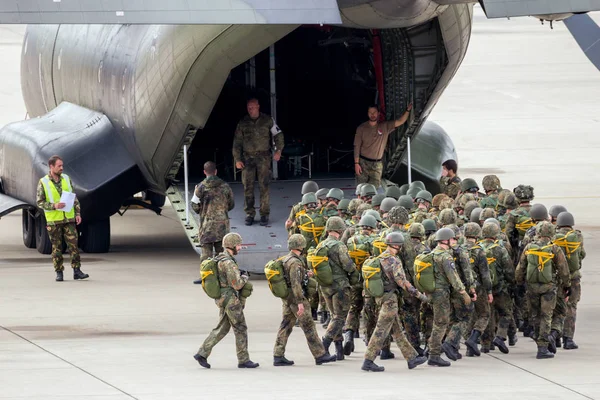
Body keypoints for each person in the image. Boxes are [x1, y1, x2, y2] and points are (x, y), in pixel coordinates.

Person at [361, 233, 428, 372]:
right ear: (398, 245)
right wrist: (418, 295)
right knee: (381, 330)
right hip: (390, 300)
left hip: (381, 298)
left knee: (397, 330)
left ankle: (411, 358)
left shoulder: (380, 258)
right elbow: (401, 281)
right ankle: (368, 360)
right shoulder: (394, 260)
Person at [194, 233, 259, 369]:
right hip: (230, 300)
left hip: (222, 298)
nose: (240, 247)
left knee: (222, 327)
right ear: (232, 245)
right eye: (239, 245)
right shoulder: (228, 262)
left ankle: (202, 353)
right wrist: (245, 277)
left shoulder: (220, 258)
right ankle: (243, 360)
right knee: (240, 328)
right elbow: (237, 284)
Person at [273, 234, 338, 366]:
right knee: (308, 326)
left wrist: (305, 274)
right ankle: (320, 354)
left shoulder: (286, 259)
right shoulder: (295, 262)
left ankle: (278, 355)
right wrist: (300, 303)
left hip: (288, 299)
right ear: (301, 246)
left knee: (285, 325)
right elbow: (296, 283)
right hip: (296, 299)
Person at [516, 222, 570, 359]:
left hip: (532, 287)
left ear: (538, 233)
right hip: (548, 287)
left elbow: (520, 267)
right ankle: (543, 347)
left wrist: (520, 283)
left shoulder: (529, 247)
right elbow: (564, 270)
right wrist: (566, 285)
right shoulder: (554, 248)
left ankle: (539, 339)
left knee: (535, 315)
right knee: (546, 316)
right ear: (551, 233)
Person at [232, 98, 284, 226]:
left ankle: (264, 214)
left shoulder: (268, 120)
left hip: (263, 158)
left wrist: (278, 151)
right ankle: (250, 214)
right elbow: (237, 142)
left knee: (264, 186)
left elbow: (278, 135)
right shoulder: (243, 123)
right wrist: (237, 159)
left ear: (258, 106)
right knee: (247, 187)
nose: (250, 110)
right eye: (249, 107)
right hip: (247, 158)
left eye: (253, 107)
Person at [36, 155, 88, 282]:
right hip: (54, 221)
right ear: (51, 166)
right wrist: (54, 206)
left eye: (62, 165)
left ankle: (77, 271)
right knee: (57, 247)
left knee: (74, 245)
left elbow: (73, 197)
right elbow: (39, 202)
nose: (61, 168)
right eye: (59, 166)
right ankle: (59, 272)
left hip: (68, 219)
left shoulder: (66, 179)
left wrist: (77, 213)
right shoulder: (44, 182)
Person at [192, 161, 234, 284]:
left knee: (206, 254)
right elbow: (231, 204)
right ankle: (223, 276)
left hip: (207, 226)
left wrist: (203, 210)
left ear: (205, 172)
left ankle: (206, 276)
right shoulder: (225, 186)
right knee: (222, 253)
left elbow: (194, 206)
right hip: (222, 226)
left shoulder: (200, 187)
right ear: (216, 171)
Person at [353, 104, 412, 189]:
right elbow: (356, 146)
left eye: (374, 112)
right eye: (370, 112)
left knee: (374, 189)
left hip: (377, 164)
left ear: (378, 113)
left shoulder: (385, 126)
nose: (372, 114)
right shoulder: (361, 128)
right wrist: (356, 163)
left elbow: (400, 121)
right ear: (367, 113)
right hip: (363, 163)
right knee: (360, 188)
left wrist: (408, 110)